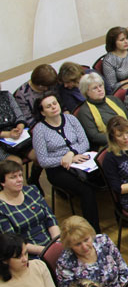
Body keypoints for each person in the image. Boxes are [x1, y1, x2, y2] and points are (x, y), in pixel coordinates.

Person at [31, 92, 100, 231]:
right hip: (57, 169)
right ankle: (93, 231)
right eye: (48, 106)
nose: (53, 107)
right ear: (43, 112)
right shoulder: (39, 130)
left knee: (106, 174)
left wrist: (71, 153)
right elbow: (43, 161)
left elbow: (84, 142)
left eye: (55, 103)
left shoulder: (70, 119)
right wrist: (65, 159)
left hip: (81, 160)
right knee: (86, 190)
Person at [56, 215, 128, 287]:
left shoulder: (104, 241)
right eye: (78, 244)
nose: (84, 247)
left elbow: (124, 270)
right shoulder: (65, 263)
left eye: (86, 239)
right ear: (69, 245)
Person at [0, 159, 59, 254]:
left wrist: (57, 242)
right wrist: (47, 252)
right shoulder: (1, 208)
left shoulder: (32, 190)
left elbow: (50, 218)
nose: (19, 180)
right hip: (28, 252)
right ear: (2, 182)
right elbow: (14, 242)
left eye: (20, 175)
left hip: (51, 241)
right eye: (13, 177)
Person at [75, 71, 128, 149]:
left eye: (100, 86)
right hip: (110, 145)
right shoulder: (84, 112)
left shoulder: (114, 99)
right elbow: (94, 136)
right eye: (95, 88)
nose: (100, 89)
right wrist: (119, 139)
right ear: (86, 92)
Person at [101, 27, 128, 92]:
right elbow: (112, 86)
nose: (126, 41)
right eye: (122, 40)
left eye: (126, 38)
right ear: (113, 42)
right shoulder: (108, 60)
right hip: (125, 91)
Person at [0, 82, 29, 166]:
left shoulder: (6, 95)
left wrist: (20, 127)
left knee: (37, 154)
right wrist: (8, 134)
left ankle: (34, 174)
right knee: (16, 163)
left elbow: (19, 115)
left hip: (16, 135)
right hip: (2, 141)